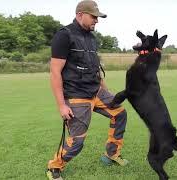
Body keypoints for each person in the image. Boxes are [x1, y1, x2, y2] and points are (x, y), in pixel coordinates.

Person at [46, 1, 128, 179]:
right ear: (80, 14)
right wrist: (61, 105)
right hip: (76, 96)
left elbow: (95, 69)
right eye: (94, 17)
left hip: (96, 91)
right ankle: (54, 167)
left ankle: (111, 153)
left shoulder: (92, 38)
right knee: (77, 142)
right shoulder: (64, 35)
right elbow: (55, 72)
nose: (96, 21)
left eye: (98, 18)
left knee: (120, 113)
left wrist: (106, 92)